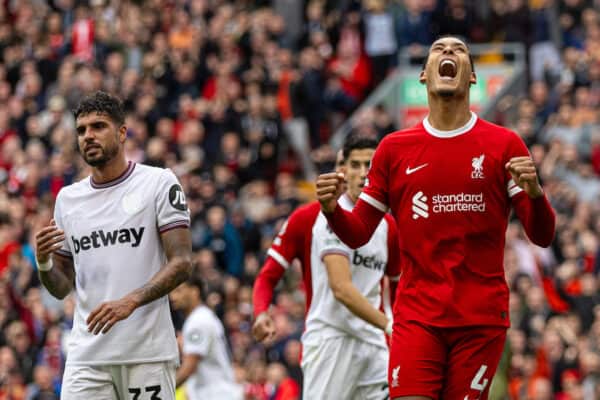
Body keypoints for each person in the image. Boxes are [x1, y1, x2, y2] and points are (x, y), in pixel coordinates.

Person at [316, 35, 556, 400]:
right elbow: (359, 231)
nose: (448, 52)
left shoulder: (504, 145)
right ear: (424, 76)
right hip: (417, 317)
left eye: (459, 50)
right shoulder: (393, 150)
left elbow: (542, 235)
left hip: (480, 320)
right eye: (438, 50)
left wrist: (536, 194)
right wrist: (333, 210)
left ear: (472, 76)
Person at [34, 91, 193, 400]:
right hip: (87, 356)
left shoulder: (158, 183)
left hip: (145, 353)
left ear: (122, 133)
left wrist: (130, 300)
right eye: (81, 130)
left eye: (98, 126)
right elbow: (62, 287)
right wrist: (43, 263)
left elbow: (182, 262)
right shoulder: (68, 200)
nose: (88, 136)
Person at [252, 135, 400, 399]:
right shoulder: (319, 217)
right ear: (341, 170)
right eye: (354, 165)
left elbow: (398, 288)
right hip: (331, 341)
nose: (362, 173)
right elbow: (340, 288)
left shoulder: (389, 227)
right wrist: (261, 311)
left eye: (370, 165)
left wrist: (401, 329)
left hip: (375, 345)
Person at [169, 276, 243, 399]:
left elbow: (188, 368)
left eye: (179, 290)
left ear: (195, 291)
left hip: (216, 395)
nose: (172, 297)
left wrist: (164, 389)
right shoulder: (202, 316)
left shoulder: (198, 321)